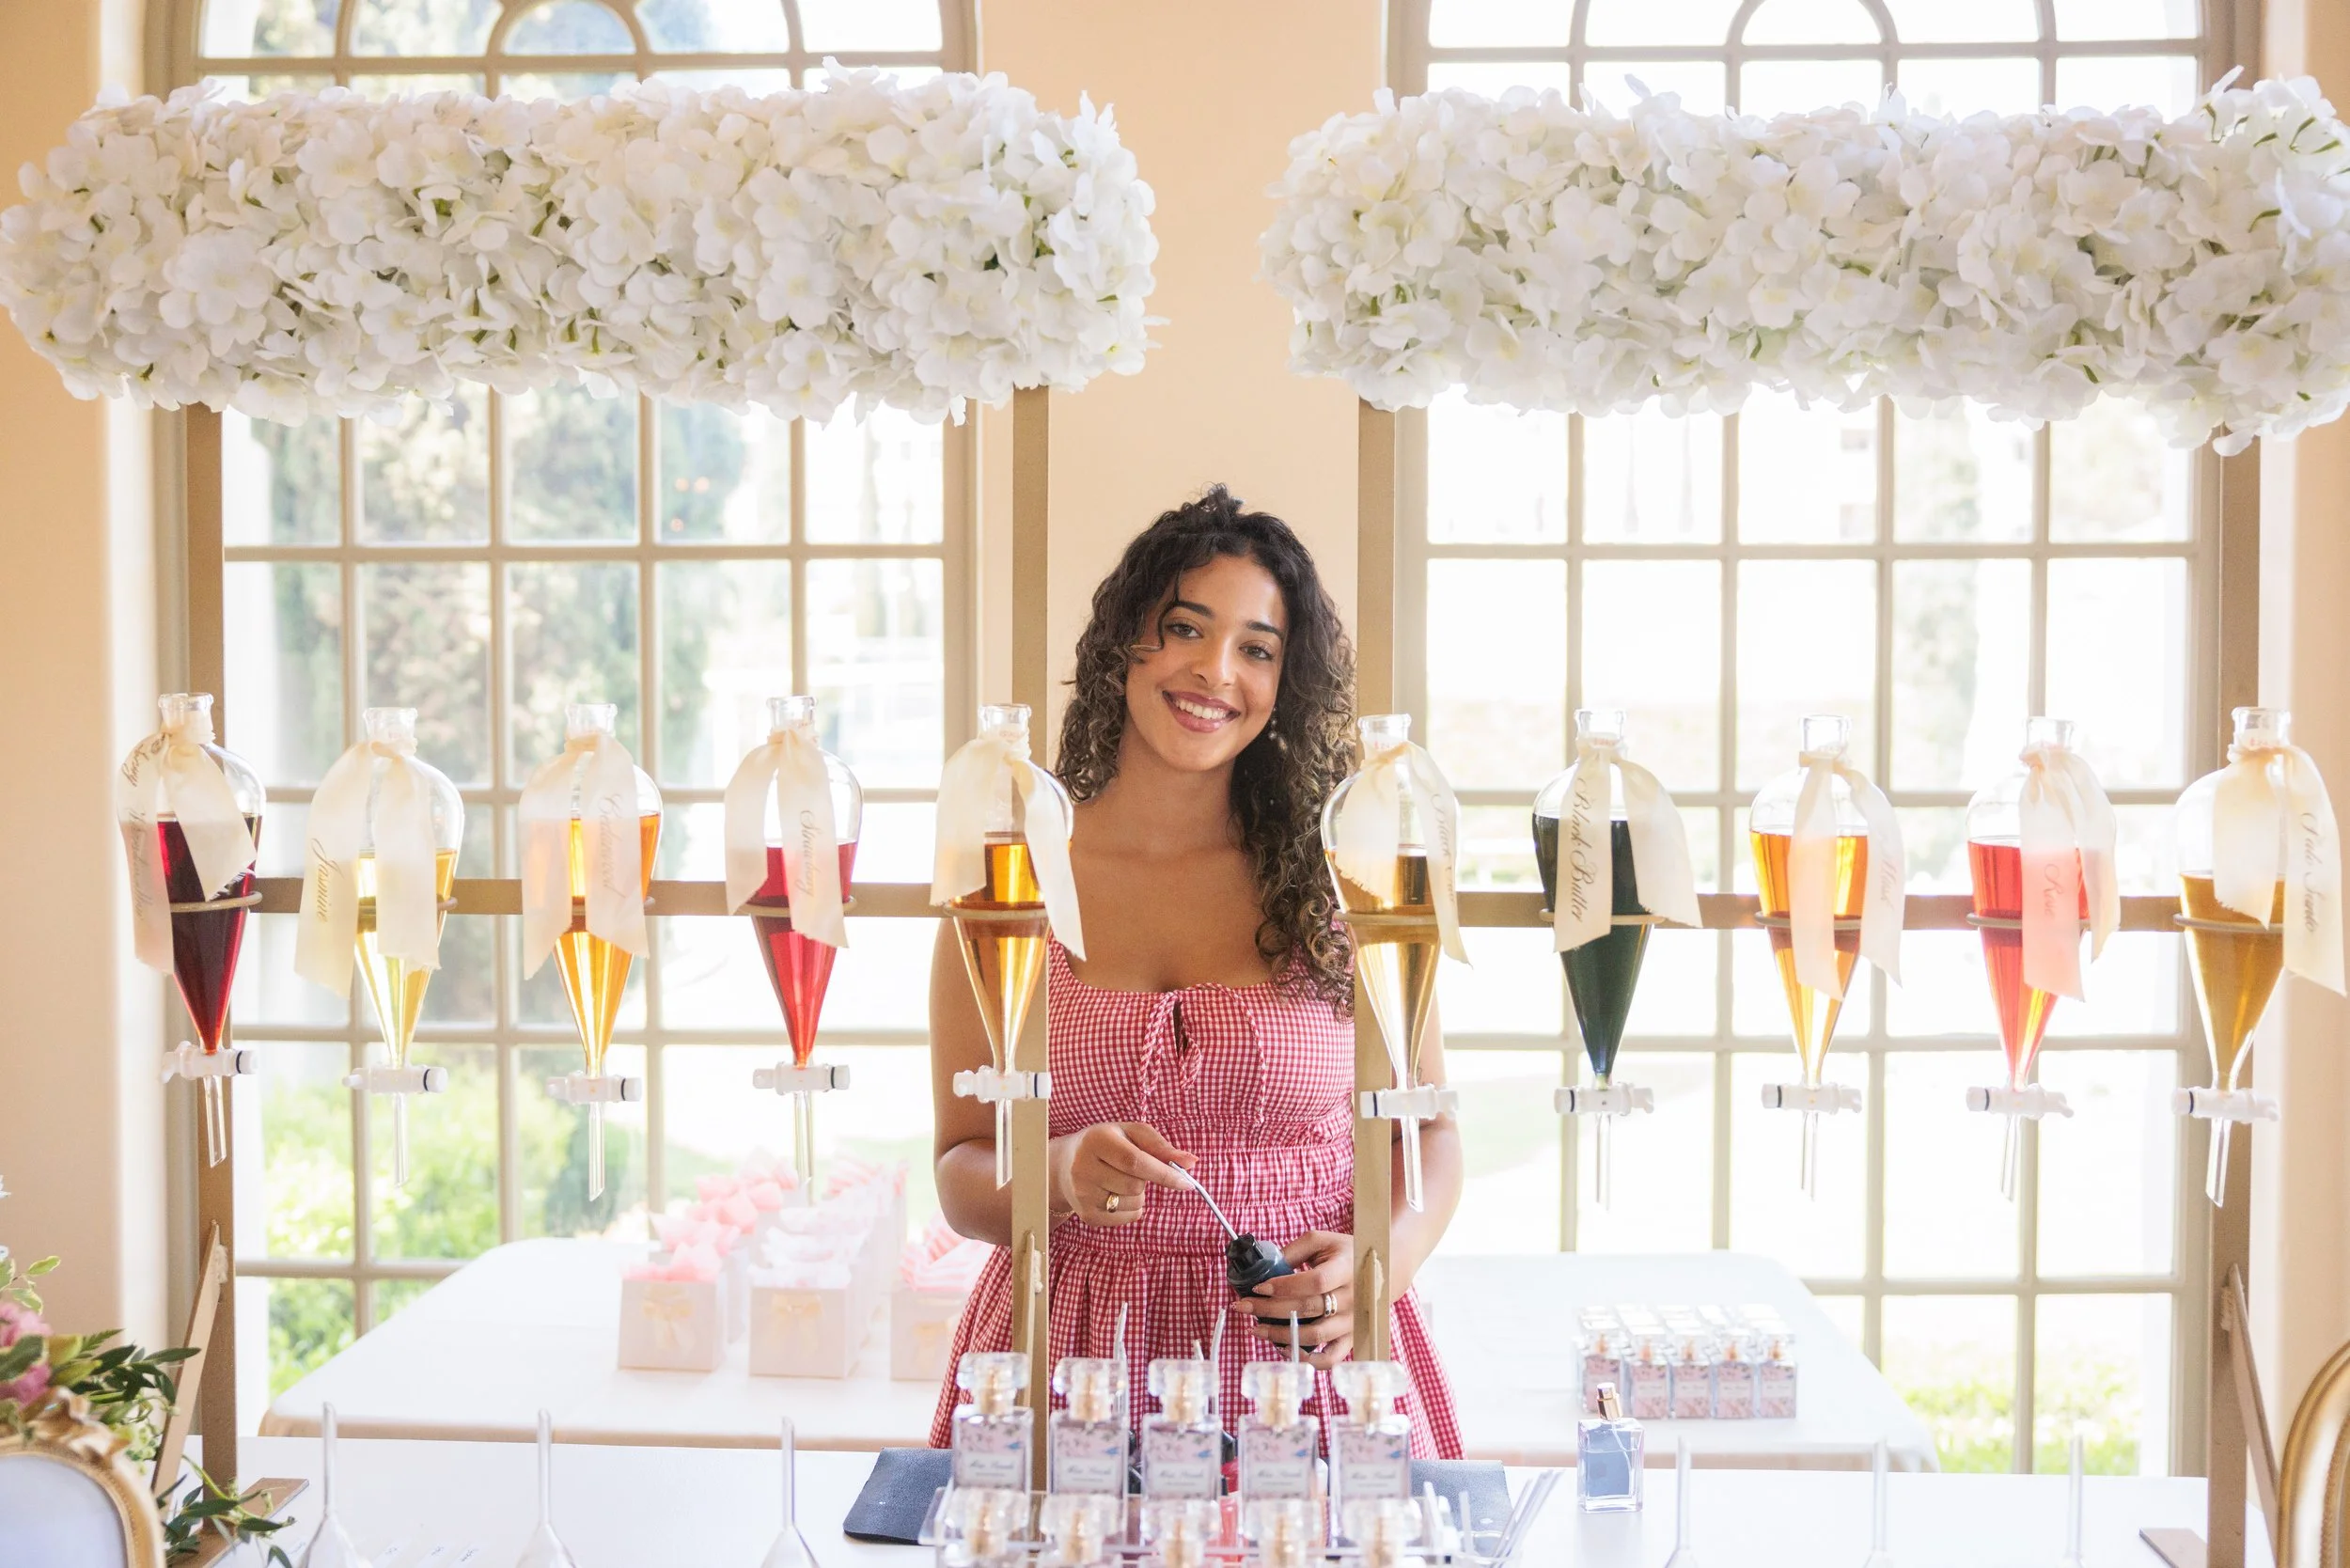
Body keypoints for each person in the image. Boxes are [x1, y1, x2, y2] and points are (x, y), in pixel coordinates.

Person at [926, 485, 1464, 1455]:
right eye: (1184, 628)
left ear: (1284, 680)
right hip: (1069, 1364)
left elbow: (1429, 1132)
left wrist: (1382, 1262)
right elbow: (963, 1170)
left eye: (1257, 648)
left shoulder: (1349, 880)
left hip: (1308, 1375)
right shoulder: (1012, 880)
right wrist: (1053, 1171)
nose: (1215, 671)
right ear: (1122, 645)